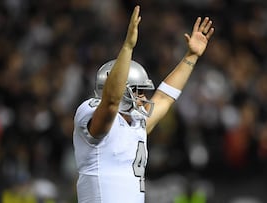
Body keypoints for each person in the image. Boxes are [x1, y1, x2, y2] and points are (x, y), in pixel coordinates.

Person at [72, 5, 214, 203]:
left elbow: (165, 97)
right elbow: (111, 101)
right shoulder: (91, 110)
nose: (142, 96)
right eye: (136, 90)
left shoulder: (136, 123)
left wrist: (190, 57)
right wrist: (128, 48)